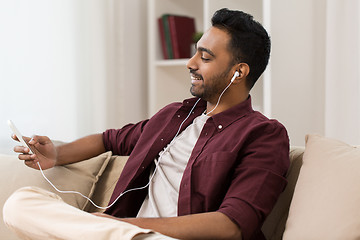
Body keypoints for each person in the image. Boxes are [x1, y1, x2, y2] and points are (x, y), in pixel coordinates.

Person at [3, 8, 289, 240]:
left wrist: (126, 226)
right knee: (21, 203)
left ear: (238, 73)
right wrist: (57, 154)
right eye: (195, 53)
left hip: (147, 235)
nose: (190, 63)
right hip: (121, 233)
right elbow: (109, 140)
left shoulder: (263, 134)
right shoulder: (175, 116)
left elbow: (232, 226)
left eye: (205, 57)